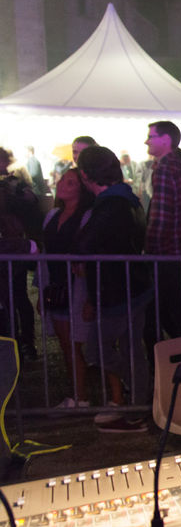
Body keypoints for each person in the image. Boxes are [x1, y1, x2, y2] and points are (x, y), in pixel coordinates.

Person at [75, 146, 153, 433]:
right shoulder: (126, 199)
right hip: (133, 286)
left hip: (117, 290)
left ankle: (142, 396)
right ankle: (139, 404)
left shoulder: (110, 205)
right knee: (132, 349)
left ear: (85, 174)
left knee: (98, 350)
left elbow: (88, 244)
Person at [40, 169, 96, 408]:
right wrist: (42, 290)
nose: (63, 184)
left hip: (77, 287)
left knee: (77, 345)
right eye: (63, 179)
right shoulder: (53, 215)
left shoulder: (86, 217)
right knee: (66, 344)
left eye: (71, 182)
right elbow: (45, 256)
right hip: (57, 286)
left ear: (81, 191)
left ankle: (81, 396)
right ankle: (77, 394)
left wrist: (91, 296)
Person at [144, 120, 181, 341]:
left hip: (167, 254)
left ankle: (177, 363)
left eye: (151, 136)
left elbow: (161, 217)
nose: (146, 140)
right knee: (179, 312)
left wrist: (149, 251)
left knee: (164, 312)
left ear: (166, 140)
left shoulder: (165, 170)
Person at [0, 146, 41, 361]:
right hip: (12, 247)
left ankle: (23, 342)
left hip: (14, 248)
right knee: (13, 298)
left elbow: (30, 205)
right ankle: (16, 343)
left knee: (17, 297)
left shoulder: (15, 185)